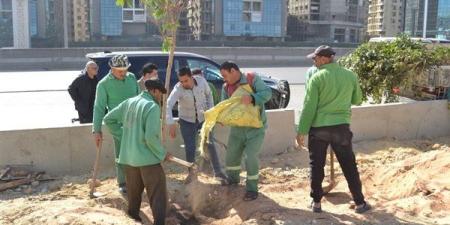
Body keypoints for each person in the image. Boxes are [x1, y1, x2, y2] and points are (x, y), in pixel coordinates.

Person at [296, 45, 371, 213]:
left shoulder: (317, 78)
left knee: (316, 166)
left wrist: (301, 130)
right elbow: (358, 100)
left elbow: (309, 107)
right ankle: (359, 203)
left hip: (319, 129)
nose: (314, 62)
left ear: (325, 58)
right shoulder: (350, 75)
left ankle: (316, 203)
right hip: (341, 128)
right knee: (349, 166)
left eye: (315, 59)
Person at [104, 79, 169, 224]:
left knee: (133, 194)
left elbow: (108, 119)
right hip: (148, 160)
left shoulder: (129, 102)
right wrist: (162, 154)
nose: (160, 98)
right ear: (154, 91)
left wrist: (124, 136)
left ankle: (133, 218)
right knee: (157, 194)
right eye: (160, 94)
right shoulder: (152, 106)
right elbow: (150, 137)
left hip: (128, 159)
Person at [219, 61, 272, 201]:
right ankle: (233, 180)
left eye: (225, 75)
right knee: (231, 156)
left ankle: (252, 189)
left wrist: (253, 98)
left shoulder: (252, 79)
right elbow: (224, 106)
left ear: (233, 71)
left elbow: (267, 93)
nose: (224, 79)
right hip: (237, 129)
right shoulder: (226, 87)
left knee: (250, 157)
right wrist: (221, 118)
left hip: (255, 129)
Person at [166, 67, 227, 183]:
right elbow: (168, 104)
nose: (184, 83)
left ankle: (218, 173)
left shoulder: (202, 82)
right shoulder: (178, 88)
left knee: (210, 144)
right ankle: (192, 175)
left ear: (191, 77)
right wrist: (170, 123)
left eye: (186, 80)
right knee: (190, 148)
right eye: (181, 81)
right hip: (186, 121)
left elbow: (209, 95)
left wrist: (210, 113)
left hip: (203, 119)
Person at [92, 54, 140, 193]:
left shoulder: (131, 78)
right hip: (118, 124)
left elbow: (139, 99)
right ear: (112, 69)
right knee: (122, 153)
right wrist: (96, 130)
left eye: (125, 70)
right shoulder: (103, 84)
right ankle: (123, 183)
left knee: (138, 152)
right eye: (120, 71)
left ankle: (136, 180)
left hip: (136, 123)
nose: (123, 73)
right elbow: (99, 108)